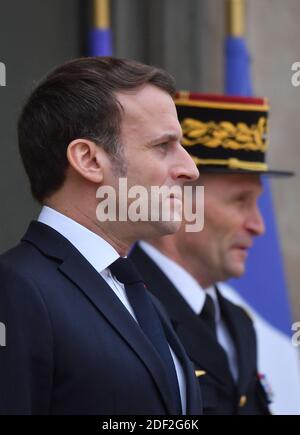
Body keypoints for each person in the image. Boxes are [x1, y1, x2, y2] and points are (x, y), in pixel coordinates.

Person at [0, 58, 202, 415]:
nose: (190, 168)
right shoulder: (15, 289)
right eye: (162, 146)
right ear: (88, 160)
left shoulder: (139, 295)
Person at [130, 93, 293, 415]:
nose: (258, 225)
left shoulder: (237, 321)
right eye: (240, 201)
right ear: (177, 199)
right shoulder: (122, 307)